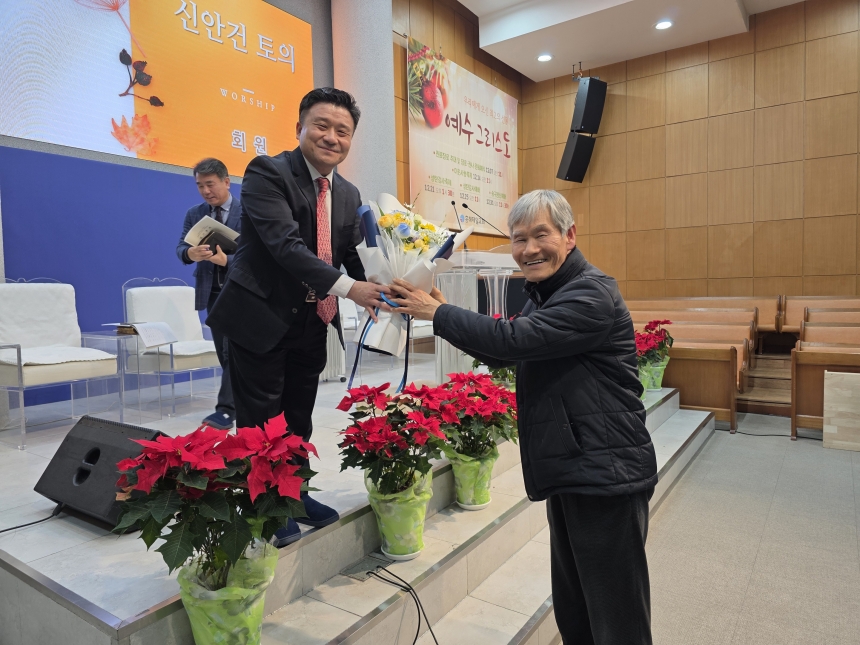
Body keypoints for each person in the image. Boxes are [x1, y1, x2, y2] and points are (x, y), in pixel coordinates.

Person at [386, 189, 657, 645]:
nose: (529, 249)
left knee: (617, 622)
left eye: (540, 235)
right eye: (518, 239)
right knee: (576, 612)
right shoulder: (549, 292)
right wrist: (442, 308)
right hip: (575, 465)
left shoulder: (590, 293)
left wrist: (439, 313)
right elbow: (509, 349)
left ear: (569, 235)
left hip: (605, 474)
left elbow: (513, 340)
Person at [207, 88, 389, 546]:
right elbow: (285, 246)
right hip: (259, 317)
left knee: (298, 418)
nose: (332, 137)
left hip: (312, 320)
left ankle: (295, 494)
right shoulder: (267, 172)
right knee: (260, 421)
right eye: (321, 126)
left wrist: (386, 286)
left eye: (342, 131)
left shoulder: (347, 192)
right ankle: (266, 507)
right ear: (300, 128)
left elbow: (350, 255)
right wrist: (351, 289)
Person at [176, 157, 241, 430]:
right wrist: (190, 253)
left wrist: (227, 261)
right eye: (200, 185)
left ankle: (226, 410)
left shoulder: (248, 211)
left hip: (241, 292)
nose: (205, 191)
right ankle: (240, 401)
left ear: (226, 182)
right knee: (223, 352)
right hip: (212, 292)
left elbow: (257, 255)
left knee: (232, 351)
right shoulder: (195, 213)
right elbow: (181, 248)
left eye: (210, 184)